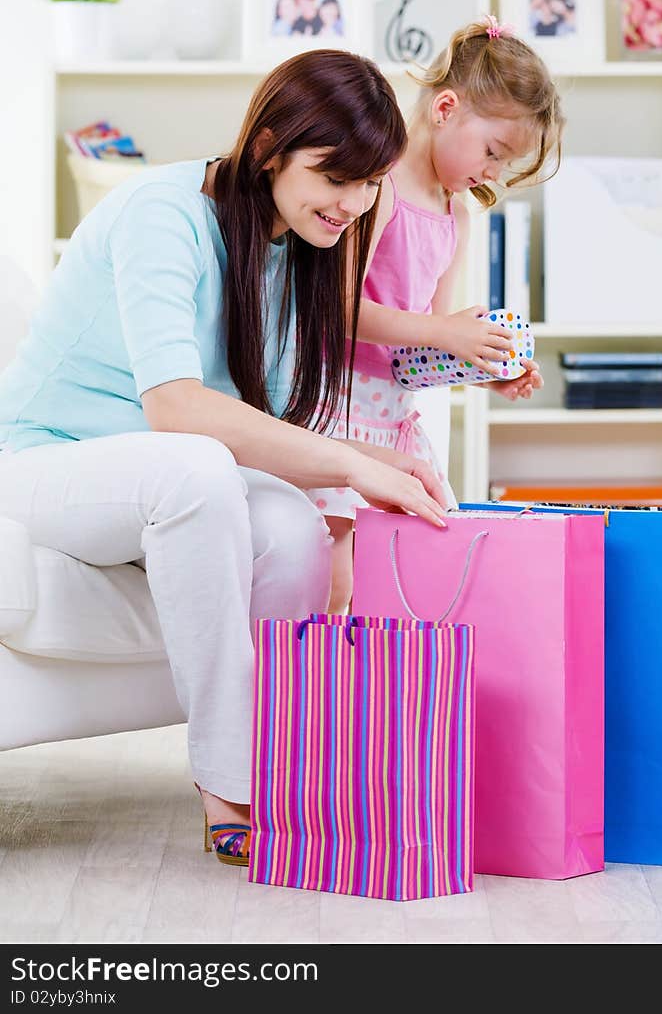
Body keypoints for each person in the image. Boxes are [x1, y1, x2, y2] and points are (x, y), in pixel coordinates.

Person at [0, 50, 448, 867]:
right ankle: (226, 781)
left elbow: (262, 423)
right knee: (201, 467)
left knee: (287, 522)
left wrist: (379, 461)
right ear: (272, 145)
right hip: (45, 464)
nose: (352, 202)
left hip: (156, 482)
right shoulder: (160, 213)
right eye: (333, 174)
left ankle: (279, 769)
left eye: (370, 181)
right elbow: (176, 409)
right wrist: (353, 467)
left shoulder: (294, 253)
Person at [309, 16, 564, 609]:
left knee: (412, 568)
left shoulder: (458, 216)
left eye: (505, 166)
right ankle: (326, 690)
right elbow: (337, 311)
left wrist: (479, 366)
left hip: (393, 414)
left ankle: (388, 689)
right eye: (493, 153)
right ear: (445, 109)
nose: (492, 175)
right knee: (337, 574)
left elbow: (419, 356)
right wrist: (445, 331)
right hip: (337, 404)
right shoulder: (380, 187)